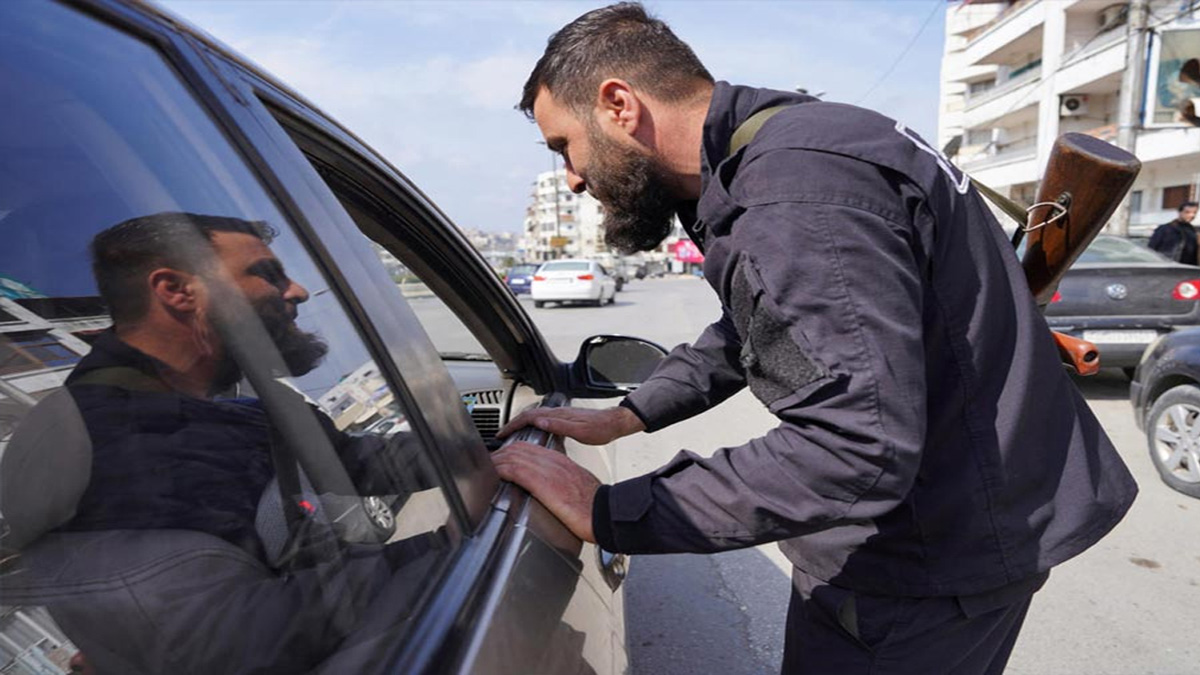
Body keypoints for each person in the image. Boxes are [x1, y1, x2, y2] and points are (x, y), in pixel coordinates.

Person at [491, 4, 1138, 674]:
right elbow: (762, 321)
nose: (570, 176)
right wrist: (632, 413)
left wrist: (609, 509)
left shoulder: (795, 195)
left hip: (921, 568)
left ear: (619, 105)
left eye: (562, 145)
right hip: (963, 529)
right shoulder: (800, 144)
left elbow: (855, 446)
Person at [1, 212, 441, 675]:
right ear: (176, 291)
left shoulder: (229, 406)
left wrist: (480, 454)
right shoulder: (125, 445)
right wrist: (443, 550)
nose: (297, 291)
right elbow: (244, 639)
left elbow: (350, 459)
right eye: (267, 274)